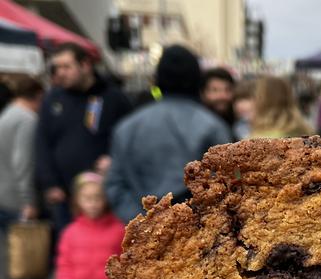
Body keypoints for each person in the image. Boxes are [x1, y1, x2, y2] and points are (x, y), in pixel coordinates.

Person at [105, 44, 231, 223]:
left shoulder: (127, 127)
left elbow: (115, 184)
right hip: (199, 233)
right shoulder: (212, 126)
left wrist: (143, 222)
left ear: (158, 79)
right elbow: (228, 183)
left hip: (145, 229)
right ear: (196, 80)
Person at [35, 42, 131, 234]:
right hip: (65, 196)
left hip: (102, 196)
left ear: (85, 65)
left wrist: (115, 159)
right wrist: (50, 183)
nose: (60, 72)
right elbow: (42, 143)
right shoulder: (53, 99)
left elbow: (130, 138)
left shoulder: (113, 97)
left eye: (66, 66)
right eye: (57, 67)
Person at [0, 75, 49, 279]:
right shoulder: (27, 120)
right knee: (35, 252)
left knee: (16, 254)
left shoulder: (7, 114)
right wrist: (28, 201)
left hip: (4, 195)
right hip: (18, 199)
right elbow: (23, 163)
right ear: (38, 95)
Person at [201, 67, 236, 139]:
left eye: (228, 90)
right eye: (215, 90)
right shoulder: (198, 125)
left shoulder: (238, 123)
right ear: (202, 93)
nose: (223, 96)